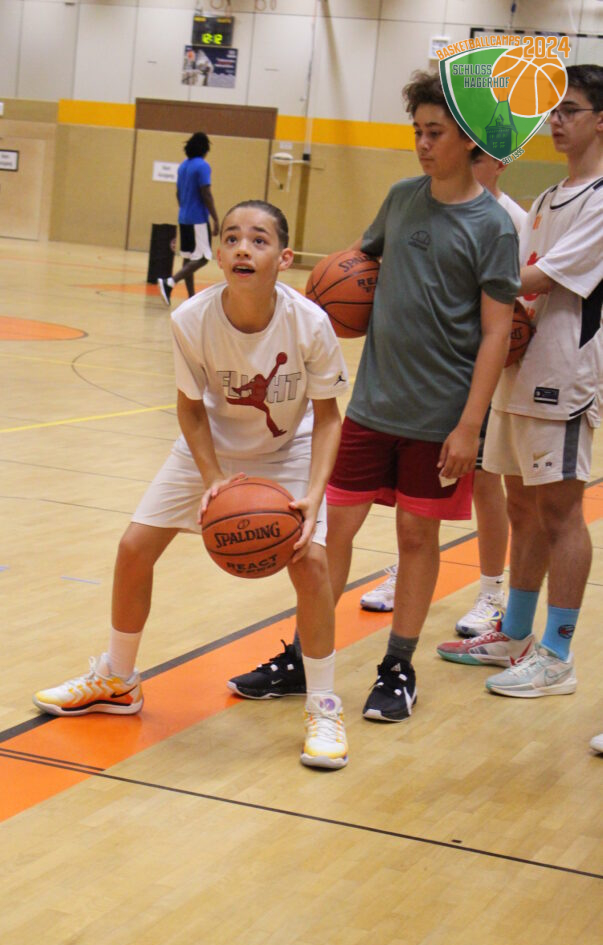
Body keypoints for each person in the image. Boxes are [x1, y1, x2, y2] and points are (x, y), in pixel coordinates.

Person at [229, 71, 520, 723]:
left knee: (416, 537)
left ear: (467, 139)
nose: (423, 144)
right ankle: (304, 655)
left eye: (435, 132)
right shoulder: (400, 199)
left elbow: (497, 331)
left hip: (439, 414)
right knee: (331, 533)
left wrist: (469, 425)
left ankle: (398, 665)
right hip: (368, 406)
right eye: (417, 131)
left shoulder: (493, 226)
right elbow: (356, 267)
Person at [33, 200, 351, 770]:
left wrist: (313, 494)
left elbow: (328, 418)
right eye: (231, 238)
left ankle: (324, 705)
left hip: (290, 448)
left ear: (284, 258)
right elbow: (190, 408)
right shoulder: (191, 319)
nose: (242, 248)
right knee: (135, 547)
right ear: (218, 255)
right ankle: (118, 679)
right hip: (211, 448)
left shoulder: (310, 322)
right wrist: (212, 480)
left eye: (258, 240)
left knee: (312, 565)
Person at [437, 65, 603, 711]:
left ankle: (556, 656)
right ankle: (514, 634)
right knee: (523, 508)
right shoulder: (547, 198)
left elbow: (532, 280)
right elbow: (517, 281)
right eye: (553, 110)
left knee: (560, 512)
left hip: (563, 374)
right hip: (519, 368)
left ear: (600, 121)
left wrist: (454, 275)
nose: (555, 121)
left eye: (570, 110)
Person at [360, 152, 527, 636]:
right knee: (414, 496)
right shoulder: (421, 200)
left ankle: (491, 591)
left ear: (498, 162)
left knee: (485, 481)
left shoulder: (509, 220)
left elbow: (514, 306)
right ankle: (406, 571)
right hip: (418, 379)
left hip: (476, 373)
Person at [157, 132, 219, 306]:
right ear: (205, 149)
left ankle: (191, 298)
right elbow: (206, 193)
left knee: (188, 258)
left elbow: (178, 193)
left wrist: (185, 209)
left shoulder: (183, 166)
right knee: (203, 257)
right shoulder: (203, 166)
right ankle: (170, 282)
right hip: (198, 219)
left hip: (184, 217)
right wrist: (215, 218)